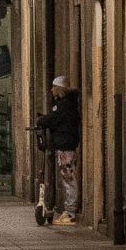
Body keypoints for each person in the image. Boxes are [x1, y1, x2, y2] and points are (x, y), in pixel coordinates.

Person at [42, 75, 81, 225]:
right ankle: (68, 211)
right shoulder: (67, 104)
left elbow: (53, 119)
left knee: (68, 178)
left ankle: (70, 213)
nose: (51, 89)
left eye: (54, 86)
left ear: (60, 88)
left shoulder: (64, 105)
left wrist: (42, 121)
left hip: (65, 146)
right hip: (66, 144)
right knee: (67, 177)